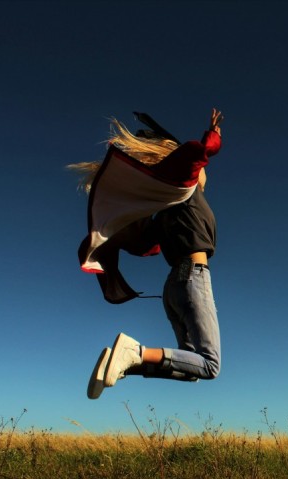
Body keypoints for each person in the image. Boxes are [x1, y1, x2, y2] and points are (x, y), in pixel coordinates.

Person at [71, 109, 225, 399]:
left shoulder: (165, 208)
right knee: (210, 364)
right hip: (193, 279)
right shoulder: (186, 190)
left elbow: (145, 245)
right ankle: (134, 352)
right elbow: (199, 153)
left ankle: (122, 365)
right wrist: (214, 134)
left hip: (175, 286)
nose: (205, 174)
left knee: (189, 367)